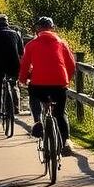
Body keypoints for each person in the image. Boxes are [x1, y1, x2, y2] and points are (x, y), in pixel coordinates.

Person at [19, 17, 76, 156]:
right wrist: (66, 80)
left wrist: (22, 79)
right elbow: (71, 65)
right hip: (59, 84)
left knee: (34, 95)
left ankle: (38, 121)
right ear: (52, 28)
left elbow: (25, 66)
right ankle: (67, 141)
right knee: (60, 113)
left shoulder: (31, 45)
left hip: (39, 84)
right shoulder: (62, 43)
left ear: (38, 29)